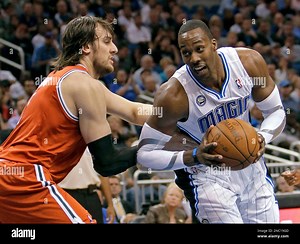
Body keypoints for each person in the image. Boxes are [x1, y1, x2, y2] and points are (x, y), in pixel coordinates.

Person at [0, 16, 152, 223]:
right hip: (24, 178)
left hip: (10, 175)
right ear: (86, 47)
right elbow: (108, 163)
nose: (115, 49)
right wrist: (154, 148)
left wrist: (182, 114)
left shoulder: (66, 79)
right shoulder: (83, 84)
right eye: (107, 41)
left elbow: (135, 112)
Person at [137, 19, 286, 223]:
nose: (194, 58)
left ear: (213, 44)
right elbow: (144, 155)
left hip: (250, 166)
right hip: (206, 175)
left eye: (199, 49)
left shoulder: (248, 62)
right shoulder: (173, 95)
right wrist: (194, 156)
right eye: (186, 53)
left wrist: (261, 137)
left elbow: (276, 111)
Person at [58, 148, 115, 224]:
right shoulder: (59, 142)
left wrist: (110, 205)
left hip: (92, 196)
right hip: (67, 195)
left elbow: (103, 176)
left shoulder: (94, 143)